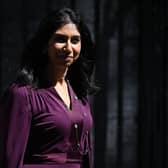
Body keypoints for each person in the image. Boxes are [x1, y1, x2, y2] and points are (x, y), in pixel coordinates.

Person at [0, 7, 98, 168]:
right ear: (45, 45)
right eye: (60, 39)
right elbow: (9, 161)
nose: (69, 48)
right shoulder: (22, 95)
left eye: (75, 40)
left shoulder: (79, 95)